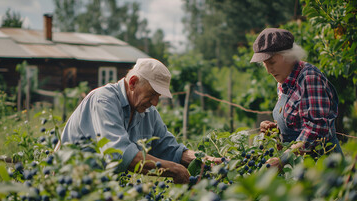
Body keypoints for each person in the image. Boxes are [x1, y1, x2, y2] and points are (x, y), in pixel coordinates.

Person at [58, 58, 221, 183]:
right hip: (68, 184)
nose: (155, 102)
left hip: (100, 189)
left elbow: (168, 148)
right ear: (133, 83)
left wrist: (201, 160)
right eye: (152, 94)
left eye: (158, 97)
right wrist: (173, 169)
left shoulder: (147, 111)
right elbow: (119, 155)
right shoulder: (104, 101)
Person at [250, 28, 343, 166]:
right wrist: (276, 130)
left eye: (272, 62)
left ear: (288, 56)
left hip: (322, 166)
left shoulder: (309, 78)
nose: (268, 70)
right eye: (265, 64)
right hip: (299, 164)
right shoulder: (283, 82)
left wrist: (283, 160)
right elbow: (297, 122)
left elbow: (315, 129)